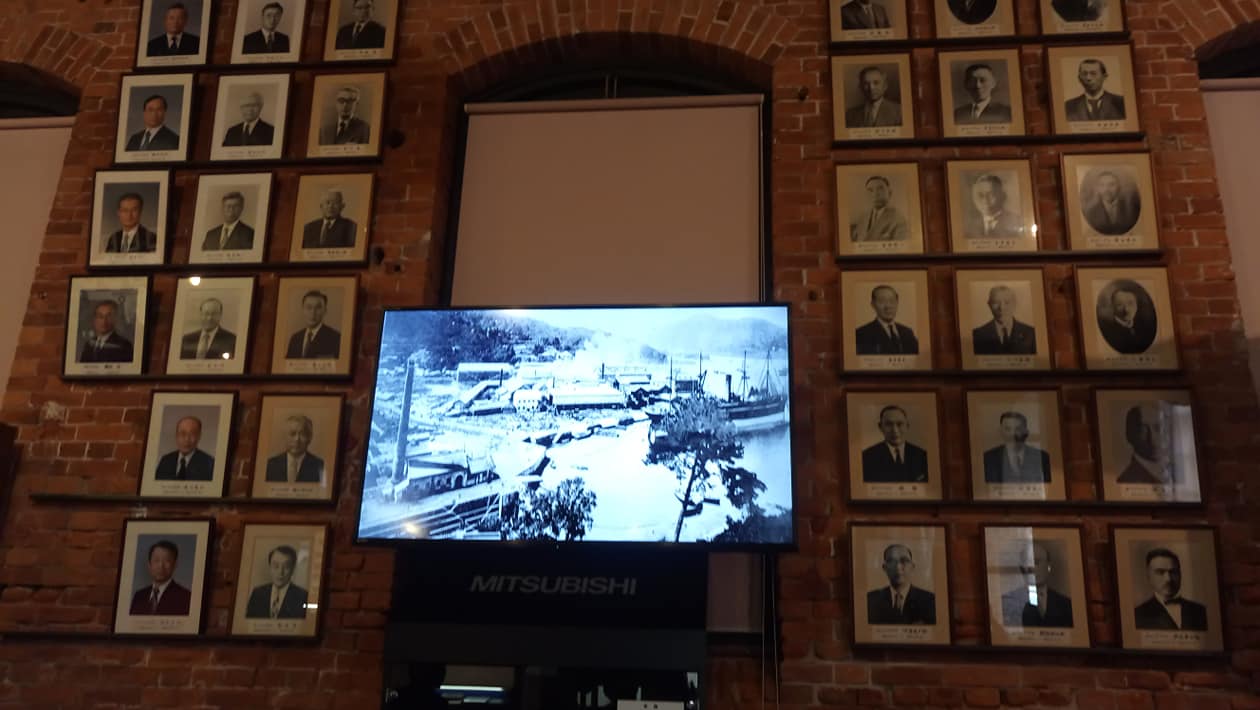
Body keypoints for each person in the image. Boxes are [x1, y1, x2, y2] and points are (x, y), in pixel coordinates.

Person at [1000, 542, 1073, 628]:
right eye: (1027, 563)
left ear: (1048, 566)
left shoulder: (1066, 604)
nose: (1032, 568)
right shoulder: (1006, 602)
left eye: (1037, 562)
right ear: (1021, 569)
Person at [1133, 548, 1208, 631]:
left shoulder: (1201, 611)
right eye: (1160, 572)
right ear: (1149, 577)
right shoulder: (1138, 615)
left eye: (1173, 572)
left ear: (1180, 574)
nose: (1168, 579)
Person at [867, 544, 936, 624]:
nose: (898, 567)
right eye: (891, 561)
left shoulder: (930, 600)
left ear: (912, 566)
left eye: (904, 560)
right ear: (884, 567)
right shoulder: (871, 599)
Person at [860, 405, 929, 483]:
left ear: (907, 426)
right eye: (888, 424)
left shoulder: (922, 456)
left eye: (900, 424)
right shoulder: (867, 457)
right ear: (880, 427)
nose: (895, 430)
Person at [982, 411, 1051, 484]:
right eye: (1007, 429)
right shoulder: (988, 458)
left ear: (1026, 432)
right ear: (1000, 432)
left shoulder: (1042, 457)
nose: (1013, 434)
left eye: (1018, 429)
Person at [128, 540, 193, 615]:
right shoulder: (139, 596)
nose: (161, 566)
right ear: (149, 565)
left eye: (167, 561)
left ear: (175, 565)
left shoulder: (185, 597)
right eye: (156, 560)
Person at [244, 545, 309, 619]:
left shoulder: (303, 596)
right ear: (270, 567)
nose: (280, 572)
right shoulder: (257, 593)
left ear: (293, 569)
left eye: (286, 566)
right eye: (275, 566)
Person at [1116, 403, 1175, 484]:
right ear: (1130, 435)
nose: (1153, 437)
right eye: (1143, 429)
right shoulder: (1127, 480)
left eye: (1158, 427)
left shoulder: (1172, 473)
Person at [854, 285, 919, 355]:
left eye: (892, 301)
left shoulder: (907, 333)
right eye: (882, 301)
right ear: (873, 304)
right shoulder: (861, 334)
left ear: (897, 303)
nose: (888, 306)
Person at [972, 285, 1037, 355]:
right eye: (996, 302)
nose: (1002, 308)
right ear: (989, 305)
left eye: (1007, 302)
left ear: (1014, 304)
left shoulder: (1031, 333)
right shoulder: (977, 335)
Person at [265, 415, 326, 483]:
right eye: (292, 434)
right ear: (284, 437)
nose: (297, 439)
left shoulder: (320, 466)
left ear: (309, 438)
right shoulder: (270, 465)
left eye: (302, 434)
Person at [1097, 283, 1156, 354]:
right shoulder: (1108, 331)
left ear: (1137, 305)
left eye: (1131, 303)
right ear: (1113, 307)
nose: (1126, 310)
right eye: (1119, 305)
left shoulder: (1145, 327)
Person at [153, 415, 215, 480]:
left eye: (192, 434)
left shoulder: (209, 464)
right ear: (176, 436)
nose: (187, 439)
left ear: (199, 436)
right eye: (182, 433)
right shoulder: (165, 460)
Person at [284, 290, 342, 359]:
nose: (313, 312)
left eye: (318, 308)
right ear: (303, 310)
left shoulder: (336, 338)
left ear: (325, 311)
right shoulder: (295, 338)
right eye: (309, 307)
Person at [850, 176, 908, 242]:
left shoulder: (899, 219)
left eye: (880, 189)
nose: (875, 194)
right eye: (870, 190)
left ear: (890, 193)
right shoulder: (862, 218)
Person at [964, 174, 1023, 239]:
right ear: (973, 199)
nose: (985, 200)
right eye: (980, 195)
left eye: (990, 194)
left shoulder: (1017, 222)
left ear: (1002, 195)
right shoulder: (969, 227)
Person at [1082, 171, 1140, 235]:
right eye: (1102, 185)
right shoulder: (1091, 212)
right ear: (1098, 188)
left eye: (1112, 185)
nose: (1106, 189)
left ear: (1119, 187)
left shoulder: (1131, 210)